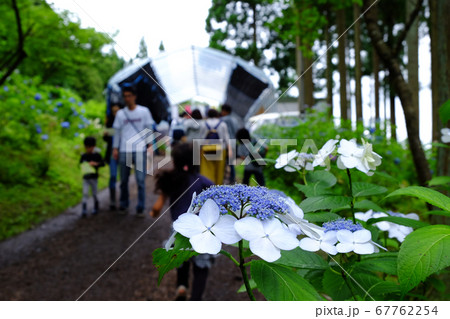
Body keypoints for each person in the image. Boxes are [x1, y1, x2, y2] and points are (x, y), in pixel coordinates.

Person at [150, 143, 214, 301]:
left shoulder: (172, 180)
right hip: (202, 230)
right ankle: (196, 298)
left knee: (180, 258)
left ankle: (181, 286)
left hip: (179, 229)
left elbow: (157, 206)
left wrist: (154, 212)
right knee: (201, 264)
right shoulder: (204, 182)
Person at [112, 86, 154, 217]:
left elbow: (149, 128)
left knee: (140, 180)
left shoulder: (144, 111)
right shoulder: (120, 114)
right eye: (125, 96)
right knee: (123, 181)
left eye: (129, 96)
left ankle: (140, 207)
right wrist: (115, 148)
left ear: (134, 96)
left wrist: (150, 145)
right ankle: (124, 204)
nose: (127, 98)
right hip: (125, 150)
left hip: (140, 149)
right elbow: (117, 132)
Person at [200, 109, 230, 184]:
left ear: (208, 115)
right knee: (219, 170)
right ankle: (217, 187)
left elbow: (201, 138)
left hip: (206, 149)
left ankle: (207, 186)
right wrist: (230, 150)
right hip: (220, 148)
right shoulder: (222, 124)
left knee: (206, 169)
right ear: (217, 115)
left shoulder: (204, 124)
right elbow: (226, 138)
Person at [80, 136, 105, 217]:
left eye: (89, 147)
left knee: (94, 193)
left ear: (93, 147)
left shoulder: (97, 155)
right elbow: (81, 163)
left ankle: (96, 207)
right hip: (86, 178)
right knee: (85, 193)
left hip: (94, 178)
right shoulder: (84, 156)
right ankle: (84, 209)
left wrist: (95, 164)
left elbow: (102, 163)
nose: (88, 149)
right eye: (86, 147)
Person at [103, 104, 121, 210]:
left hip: (122, 152)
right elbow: (106, 139)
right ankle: (113, 201)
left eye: (117, 111)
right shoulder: (109, 123)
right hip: (112, 154)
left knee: (123, 179)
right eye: (114, 111)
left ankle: (123, 201)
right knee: (113, 176)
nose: (116, 114)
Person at [220, 104, 242, 184]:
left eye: (222, 110)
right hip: (234, 143)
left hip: (226, 144)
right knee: (231, 163)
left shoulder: (222, 120)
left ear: (225, 111)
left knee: (223, 162)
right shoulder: (235, 120)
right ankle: (232, 179)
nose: (221, 112)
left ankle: (223, 179)